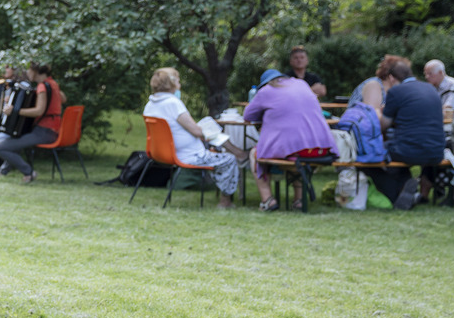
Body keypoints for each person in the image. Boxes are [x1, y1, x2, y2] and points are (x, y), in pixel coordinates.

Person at [142, 67, 247, 209]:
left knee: (208, 126)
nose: (180, 84)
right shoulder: (173, 103)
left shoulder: (150, 104)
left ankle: (237, 152)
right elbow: (196, 131)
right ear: (172, 83)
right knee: (228, 160)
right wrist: (207, 133)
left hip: (160, 153)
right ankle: (225, 201)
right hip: (189, 155)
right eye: (178, 80)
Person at [243, 68, 336, 211]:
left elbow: (247, 116)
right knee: (296, 152)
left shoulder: (266, 90)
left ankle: (268, 200)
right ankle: (298, 200)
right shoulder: (302, 84)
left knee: (255, 154)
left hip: (296, 152)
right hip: (321, 149)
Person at [366, 57, 445, 209]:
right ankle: (406, 186)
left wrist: (377, 112)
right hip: (437, 150)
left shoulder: (396, 91)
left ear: (391, 78)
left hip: (409, 150)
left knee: (369, 157)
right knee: (396, 154)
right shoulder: (430, 88)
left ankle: (396, 194)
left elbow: (384, 124)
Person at [0, 61, 62, 185]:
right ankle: (4, 170)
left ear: (35, 71)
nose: (27, 73)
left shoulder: (42, 87)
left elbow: (39, 111)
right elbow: (63, 98)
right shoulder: (53, 83)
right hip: (51, 130)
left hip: (44, 131)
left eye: (29, 70)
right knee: (14, 139)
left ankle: (29, 172)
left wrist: (15, 111)